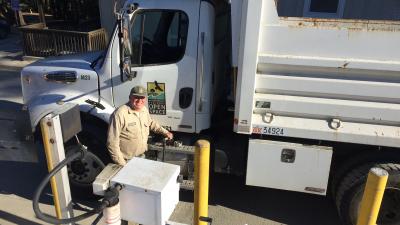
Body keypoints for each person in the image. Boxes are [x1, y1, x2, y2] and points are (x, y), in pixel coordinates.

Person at [107, 85, 173, 166]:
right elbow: (112, 143)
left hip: (142, 157)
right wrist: (122, 165)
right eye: (136, 97)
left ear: (145, 99)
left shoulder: (144, 110)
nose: (139, 101)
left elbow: (151, 123)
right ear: (130, 97)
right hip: (127, 161)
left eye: (142, 98)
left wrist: (165, 132)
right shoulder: (119, 114)